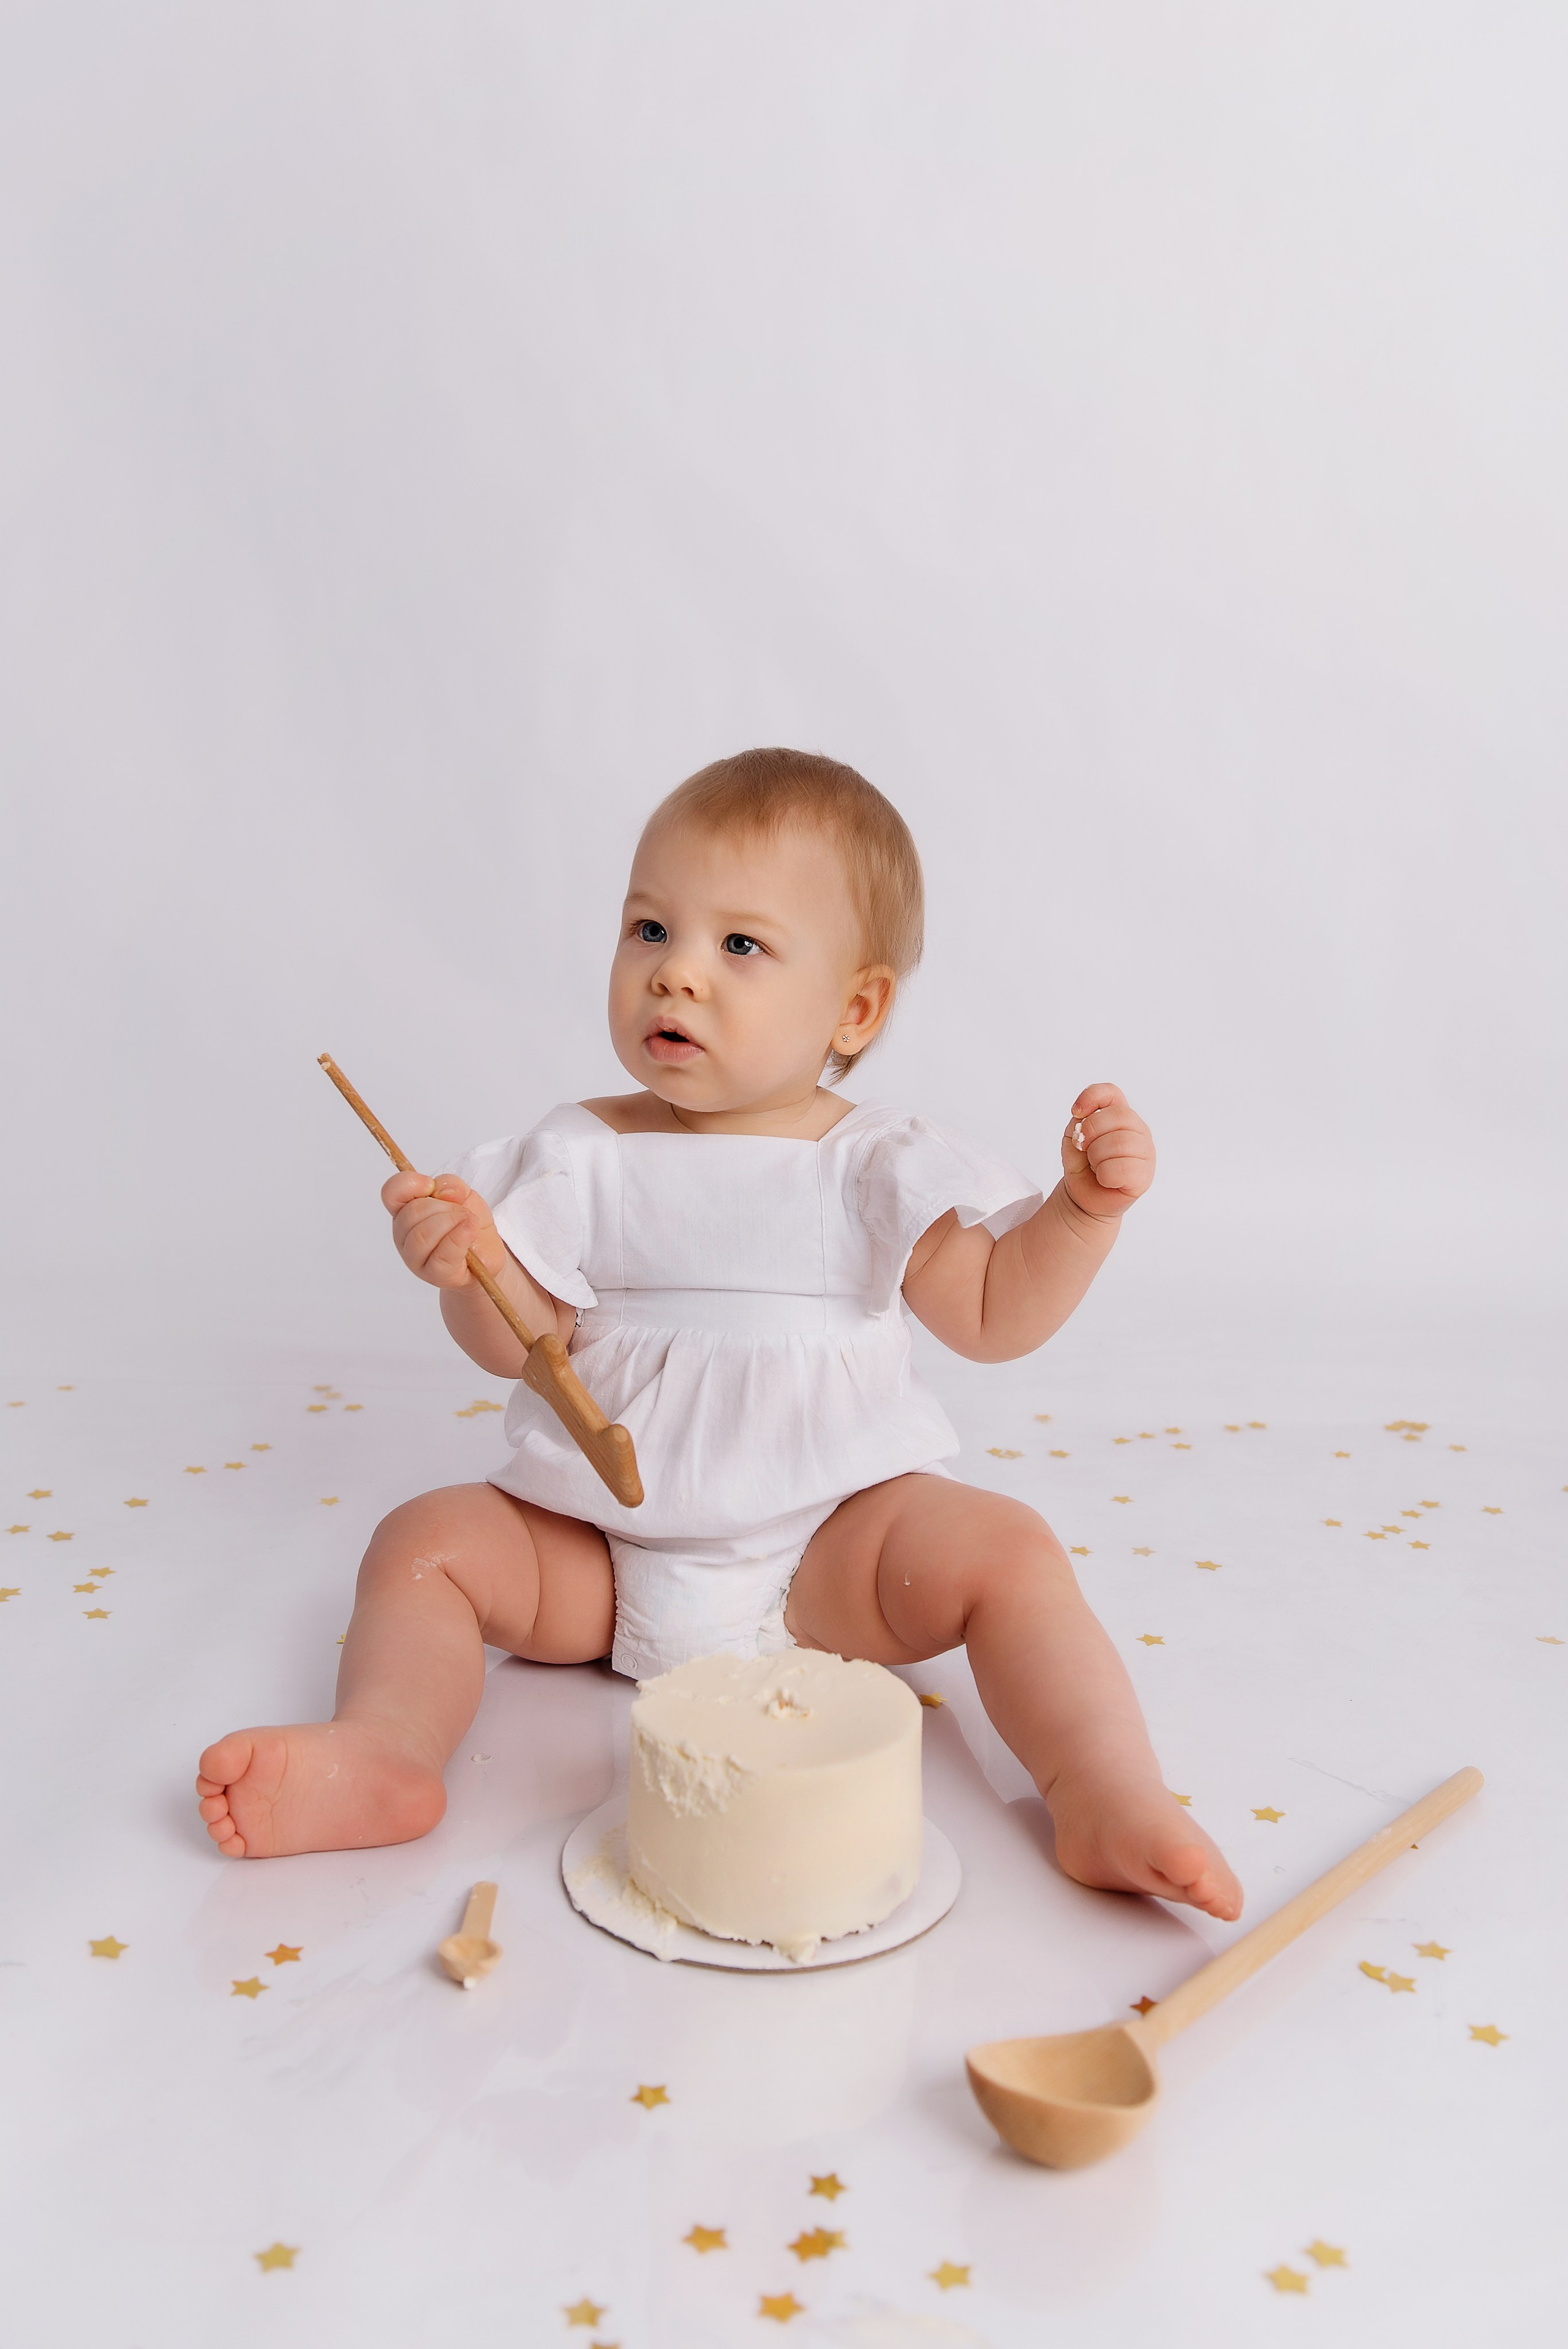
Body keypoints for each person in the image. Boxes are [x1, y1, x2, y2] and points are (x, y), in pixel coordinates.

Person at [196, 747, 1242, 1921]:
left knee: (1008, 1551)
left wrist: (1081, 1217)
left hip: (832, 1552)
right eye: (649, 930)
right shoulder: (583, 1149)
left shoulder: (874, 1163)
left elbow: (994, 1315)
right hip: (594, 1547)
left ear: (856, 1005)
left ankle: (1102, 1785)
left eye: (738, 946)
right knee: (426, 1541)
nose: (675, 976)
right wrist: (469, 1266)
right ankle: (384, 1749)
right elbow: (519, 1343)